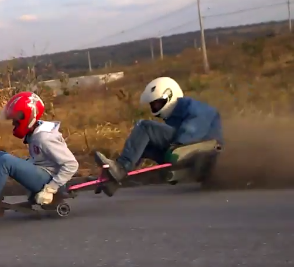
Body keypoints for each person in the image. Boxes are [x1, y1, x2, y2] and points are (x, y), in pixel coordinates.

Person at [0, 91, 80, 220]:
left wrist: (50, 190)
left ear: (27, 117)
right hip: (43, 173)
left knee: (5, 161)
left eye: (15, 120)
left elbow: (71, 164)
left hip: (50, 182)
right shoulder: (35, 131)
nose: (13, 124)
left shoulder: (44, 138)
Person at [93, 76, 223, 195]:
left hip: (198, 147)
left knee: (144, 127)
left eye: (158, 103)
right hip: (188, 151)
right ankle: (114, 180)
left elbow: (196, 125)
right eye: (153, 105)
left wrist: (179, 143)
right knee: (143, 145)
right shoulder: (176, 114)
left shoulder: (190, 106)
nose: (155, 107)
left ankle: (121, 168)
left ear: (169, 95)